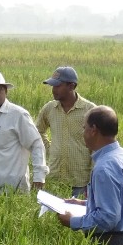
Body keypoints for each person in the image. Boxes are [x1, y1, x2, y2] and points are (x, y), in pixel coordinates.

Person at [57, 106, 123, 245]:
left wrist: (73, 222)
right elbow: (121, 201)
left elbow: (108, 218)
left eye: (84, 128)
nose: (83, 133)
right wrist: (84, 204)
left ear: (93, 130)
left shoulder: (105, 167)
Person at [35, 66, 97, 198]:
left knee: (78, 217)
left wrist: (93, 179)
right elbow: (38, 132)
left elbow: (98, 145)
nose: (53, 90)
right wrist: (50, 149)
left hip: (80, 182)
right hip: (54, 179)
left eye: (57, 86)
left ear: (71, 86)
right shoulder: (49, 109)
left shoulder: (90, 110)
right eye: (52, 86)